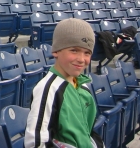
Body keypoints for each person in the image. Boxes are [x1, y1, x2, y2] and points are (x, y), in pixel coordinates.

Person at [24, 18, 103, 148]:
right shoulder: (48, 88)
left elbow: (87, 133)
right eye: (74, 50)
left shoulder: (82, 85)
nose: (81, 59)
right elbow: (35, 143)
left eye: (87, 53)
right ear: (56, 51)